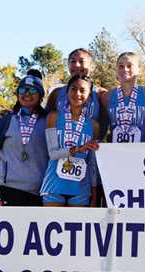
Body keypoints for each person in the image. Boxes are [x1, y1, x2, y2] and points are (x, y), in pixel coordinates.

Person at [0, 75, 49, 206]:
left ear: (40, 95)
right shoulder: (7, 119)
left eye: (32, 90)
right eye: (22, 90)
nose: (27, 94)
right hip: (10, 188)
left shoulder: (48, 121)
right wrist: (3, 166)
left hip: (42, 189)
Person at [40, 75, 99, 207]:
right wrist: (78, 149)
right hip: (54, 186)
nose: (77, 93)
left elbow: (92, 163)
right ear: (67, 92)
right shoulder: (53, 117)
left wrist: (94, 195)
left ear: (89, 96)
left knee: (77, 227)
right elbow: (52, 153)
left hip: (81, 189)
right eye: (73, 89)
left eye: (82, 90)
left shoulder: (94, 126)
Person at [46, 48, 107, 136]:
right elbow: (46, 122)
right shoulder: (57, 93)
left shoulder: (100, 94)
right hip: (60, 147)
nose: (77, 65)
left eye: (81, 61)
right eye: (73, 61)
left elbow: (105, 124)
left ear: (92, 66)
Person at [101, 52, 145, 143]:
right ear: (116, 69)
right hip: (116, 153)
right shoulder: (107, 96)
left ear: (139, 70)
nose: (125, 69)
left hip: (142, 153)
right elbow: (103, 128)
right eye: (121, 66)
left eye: (129, 66)